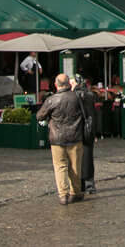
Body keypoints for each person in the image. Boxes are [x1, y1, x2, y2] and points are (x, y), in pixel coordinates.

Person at [36, 73, 84, 205]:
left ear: (56, 85)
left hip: (57, 138)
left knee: (60, 166)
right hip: (75, 136)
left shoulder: (52, 99)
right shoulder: (77, 97)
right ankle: (76, 192)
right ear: (69, 84)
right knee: (75, 166)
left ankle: (63, 194)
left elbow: (39, 116)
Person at [72, 75, 97, 195]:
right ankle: (89, 184)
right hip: (87, 130)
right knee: (87, 156)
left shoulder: (73, 96)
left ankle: (83, 183)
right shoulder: (89, 95)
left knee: (79, 157)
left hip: (78, 130)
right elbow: (93, 115)